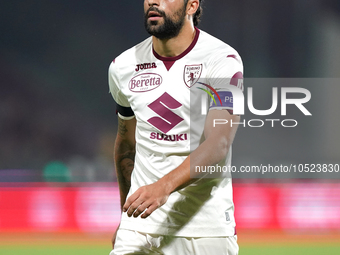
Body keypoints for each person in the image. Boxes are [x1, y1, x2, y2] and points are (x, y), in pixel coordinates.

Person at [108, 0, 243, 254]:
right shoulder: (122, 67)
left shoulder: (223, 60)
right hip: (139, 230)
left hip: (205, 229)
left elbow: (218, 144)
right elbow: (126, 144)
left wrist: (163, 188)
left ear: (192, 6)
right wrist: (127, 215)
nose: (153, 2)